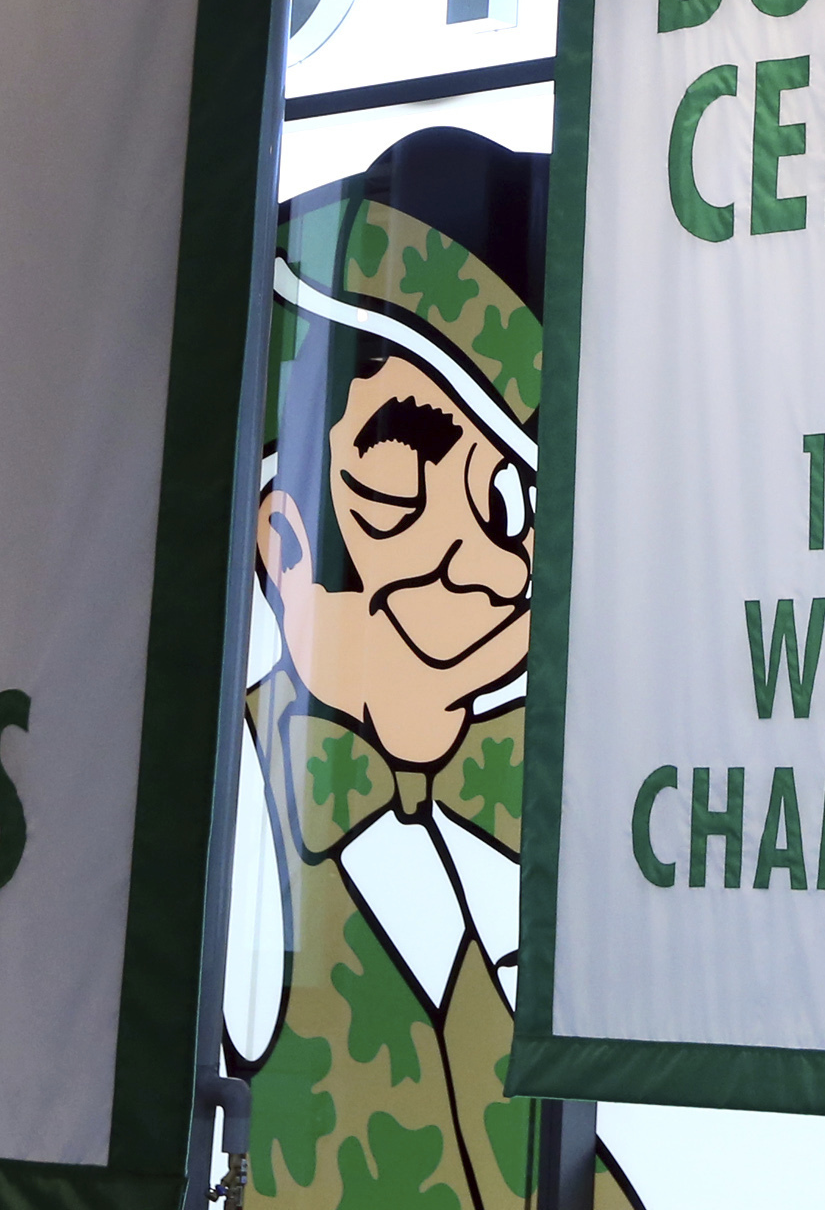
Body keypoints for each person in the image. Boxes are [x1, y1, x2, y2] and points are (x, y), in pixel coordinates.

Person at [223, 129, 635, 1210]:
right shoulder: (224, 822)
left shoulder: (552, 823)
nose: (482, 560)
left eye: (508, 498)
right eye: (401, 477)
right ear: (282, 533)